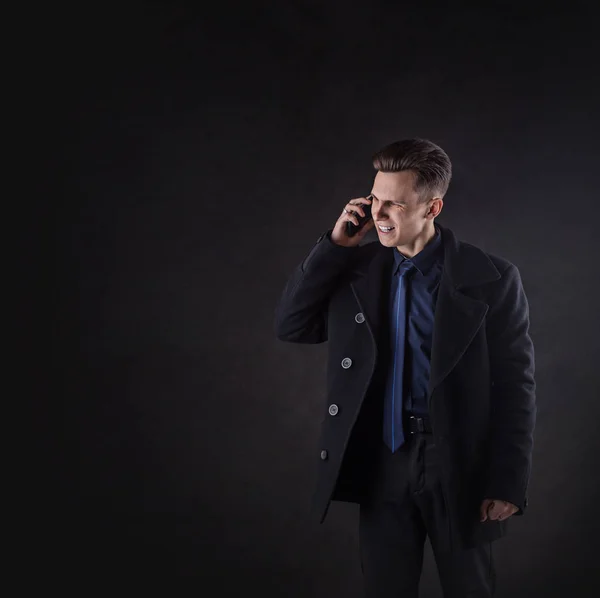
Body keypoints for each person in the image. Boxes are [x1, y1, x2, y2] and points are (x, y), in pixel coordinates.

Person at [274, 138, 536, 597]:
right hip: (382, 460)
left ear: (433, 208)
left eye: (395, 203)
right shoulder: (353, 270)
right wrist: (334, 247)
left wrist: (507, 480)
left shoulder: (492, 278)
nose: (379, 214)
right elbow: (292, 325)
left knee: (470, 588)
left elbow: (515, 386)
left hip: (458, 461)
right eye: (375, 199)